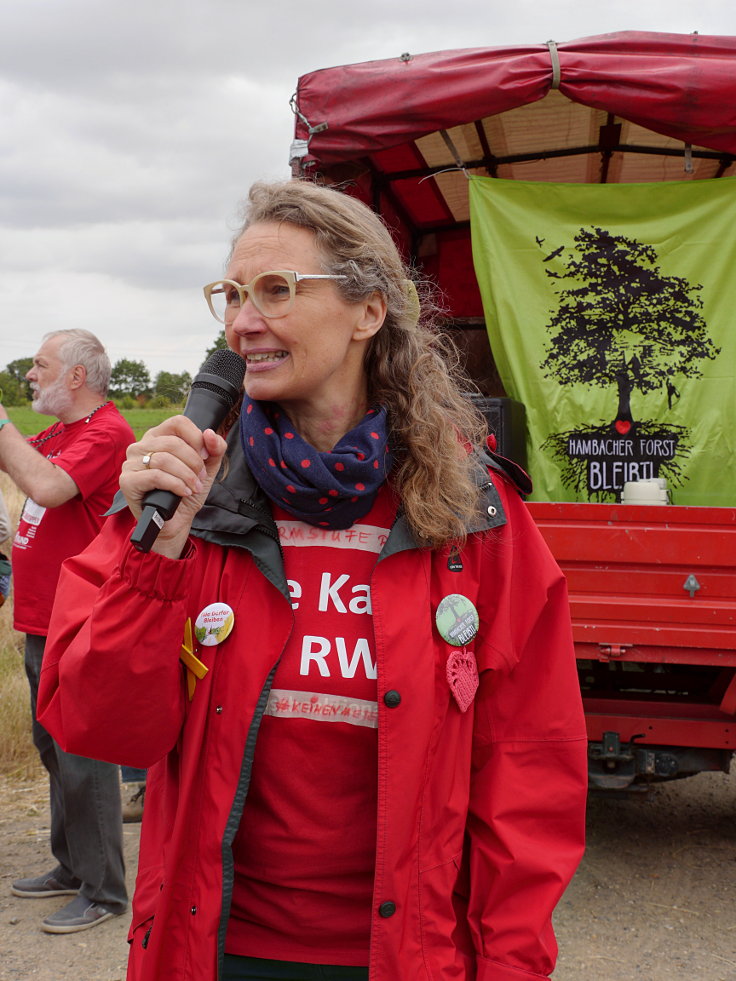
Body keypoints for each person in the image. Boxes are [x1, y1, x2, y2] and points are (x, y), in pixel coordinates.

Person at [38, 182, 587, 980]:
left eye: (277, 290)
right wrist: (153, 563)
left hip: (403, 956)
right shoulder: (182, 499)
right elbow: (100, 730)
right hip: (218, 949)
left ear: (368, 312)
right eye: (231, 295)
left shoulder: (475, 516)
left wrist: (509, 964)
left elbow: (529, 774)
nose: (241, 321)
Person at [0, 329, 133, 933]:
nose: (29, 374)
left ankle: (104, 891)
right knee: (54, 750)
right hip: (40, 619)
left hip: (79, 620)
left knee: (84, 757)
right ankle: (69, 866)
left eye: (40, 365)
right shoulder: (60, 432)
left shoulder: (107, 433)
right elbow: (26, 469)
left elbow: (49, 487)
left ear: (76, 377)